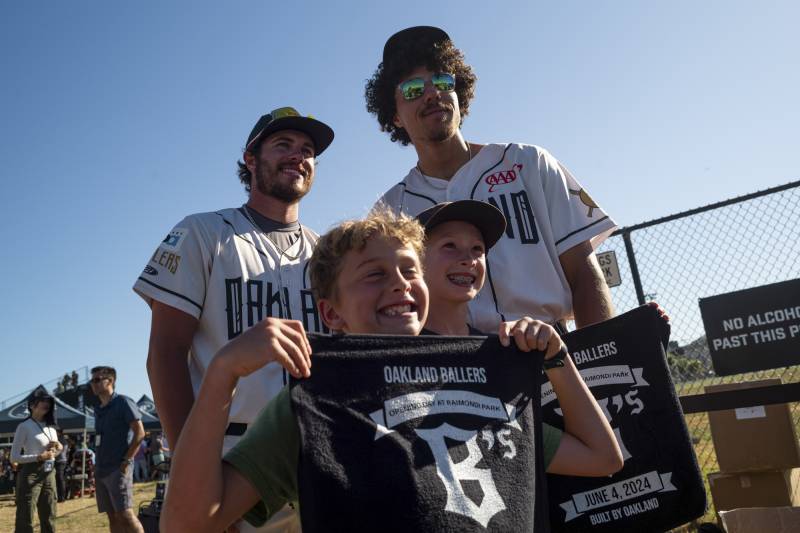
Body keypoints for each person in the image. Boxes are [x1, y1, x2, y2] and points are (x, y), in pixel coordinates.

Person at [160, 211, 621, 532]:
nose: (399, 282)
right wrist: (222, 372)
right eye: (374, 274)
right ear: (331, 312)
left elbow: (603, 457)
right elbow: (188, 523)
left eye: (409, 269)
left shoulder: (479, 377)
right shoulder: (314, 403)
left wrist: (557, 361)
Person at [133, 105, 334, 533]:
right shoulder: (203, 232)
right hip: (230, 456)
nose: (299, 156)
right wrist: (195, 468)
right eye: (283, 144)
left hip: (317, 451)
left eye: (308, 150)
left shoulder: (329, 253)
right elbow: (165, 355)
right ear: (250, 158)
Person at [367, 26, 617, 334]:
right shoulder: (390, 209)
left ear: (459, 92)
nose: (432, 93)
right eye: (413, 89)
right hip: (455, 368)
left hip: (548, 351)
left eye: (443, 81)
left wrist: (603, 364)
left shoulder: (528, 162)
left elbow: (584, 272)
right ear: (394, 114)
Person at [89, 366, 145, 533]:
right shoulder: (98, 409)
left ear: (111, 381)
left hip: (117, 468)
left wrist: (126, 461)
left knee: (125, 514)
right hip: (102, 470)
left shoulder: (123, 402)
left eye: (98, 380)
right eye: (92, 381)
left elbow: (140, 433)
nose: (94, 384)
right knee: (112, 516)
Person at [11, 391, 62, 533]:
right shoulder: (24, 426)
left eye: (49, 401)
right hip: (31, 473)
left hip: (49, 472)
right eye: (42, 401)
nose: (47, 404)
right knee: (25, 516)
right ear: (32, 405)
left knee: (50, 514)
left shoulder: (51, 426)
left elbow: (57, 450)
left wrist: (58, 447)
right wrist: (39, 457)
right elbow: (14, 457)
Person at [54, 430, 69, 503]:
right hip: (61, 461)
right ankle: (61, 496)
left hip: (60, 461)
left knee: (60, 479)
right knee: (60, 479)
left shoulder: (60, 440)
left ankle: (62, 497)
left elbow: (59, 450)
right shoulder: (62, 440)